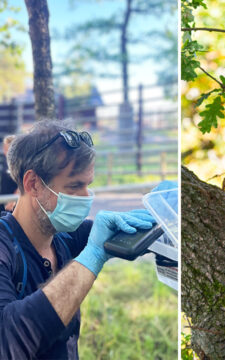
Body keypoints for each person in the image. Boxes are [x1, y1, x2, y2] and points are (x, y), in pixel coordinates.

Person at [0, 121, 155, 359]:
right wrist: (92, 257)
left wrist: (164, 220)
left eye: (88, 186)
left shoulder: (66, 236)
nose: (86, 198)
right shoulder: (4, 247)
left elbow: (128, 236)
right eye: (74, 186)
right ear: (33, 184)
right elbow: (8, 340)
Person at [0, 135, 18, 212]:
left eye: (6, 147)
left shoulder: (18, 162)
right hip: (2, 200)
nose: (4, 149)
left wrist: (12, 200)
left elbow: (22, 182)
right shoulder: (3, 161)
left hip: (11, 203)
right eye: (4, 147)